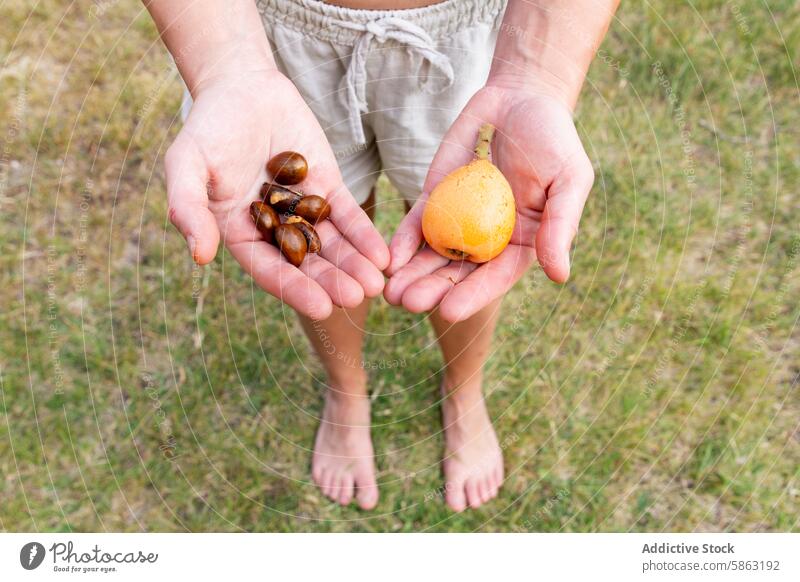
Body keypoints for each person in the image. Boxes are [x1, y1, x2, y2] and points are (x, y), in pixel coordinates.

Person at [144, 0, 619, 511]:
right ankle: (346, 388)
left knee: (467, 250)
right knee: (330, 249)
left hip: (465, 36)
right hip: (268, 33)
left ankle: (463, 389)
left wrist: (536, 77)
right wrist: (226, 70)